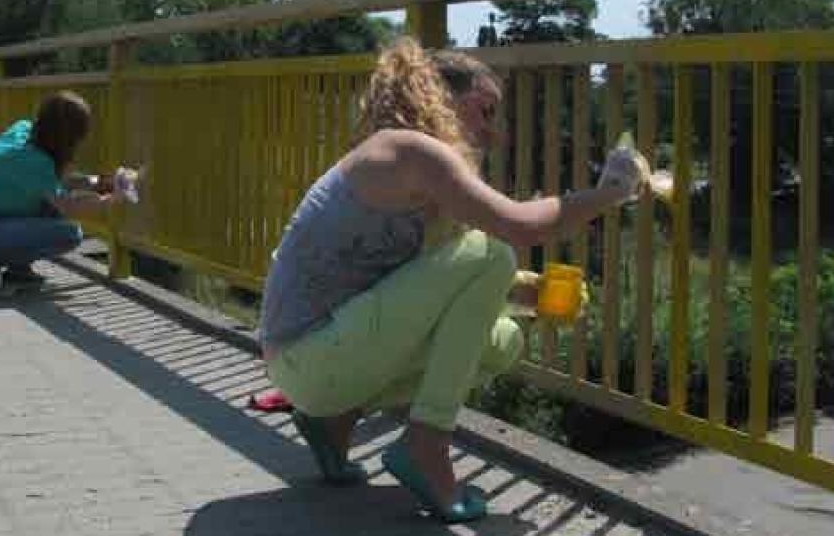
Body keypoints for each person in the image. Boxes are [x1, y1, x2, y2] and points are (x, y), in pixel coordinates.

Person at [258, 38, 646, 523]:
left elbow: (424, 287)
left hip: (307, 362)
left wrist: (524, 294)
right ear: (440, 98)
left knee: (502, 340)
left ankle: (333, 423)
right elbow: (519, 227)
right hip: (306, 355)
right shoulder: (410, 151)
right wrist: (609, 193)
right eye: (486, 111)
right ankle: (426, 444)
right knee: (493, 252)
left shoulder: (404, 163)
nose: (494, 133)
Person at [0, 91, 125, 294]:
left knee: (46, 209)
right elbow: (69, 207)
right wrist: (112, 199)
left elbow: (55, 182)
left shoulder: (22, 130)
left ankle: (16, 271)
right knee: (69, 234)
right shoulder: (37, 161)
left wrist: (97, 183)